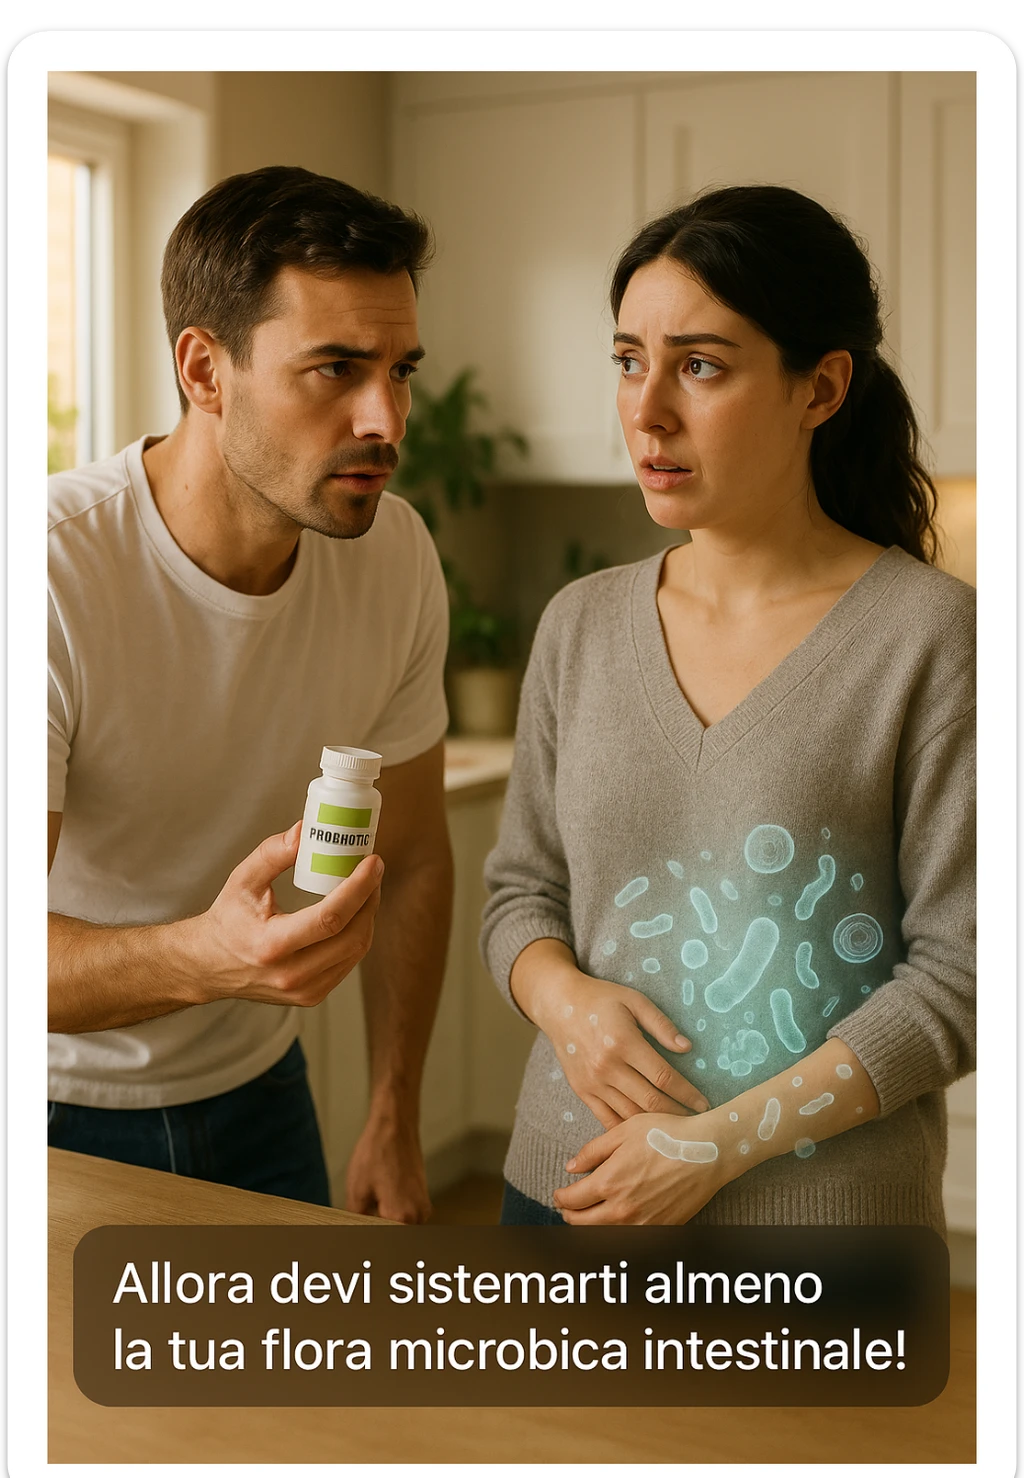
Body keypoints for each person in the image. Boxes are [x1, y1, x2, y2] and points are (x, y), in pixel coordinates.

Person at [481, 185, 975, 1229]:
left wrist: (715, 1148)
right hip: (565, 1194)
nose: (646, 408)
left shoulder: (930, 639)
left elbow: (965, 973)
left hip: (822, 1234)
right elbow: (519, 894)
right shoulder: (579, 624)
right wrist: (562, 1001)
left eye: (699, 365)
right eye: (627, 360)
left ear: (820, 387)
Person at [47, 166, 454, 1221]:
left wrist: (392, 1112)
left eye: (401, 369)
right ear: (203, 369)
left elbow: (410, 858)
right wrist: (210, 957)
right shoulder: (49, 574)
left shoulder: (396, 552)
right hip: (50, 1104)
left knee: (294, 1386)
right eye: (334, 368)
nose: (386, 418)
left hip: (261, 1095)